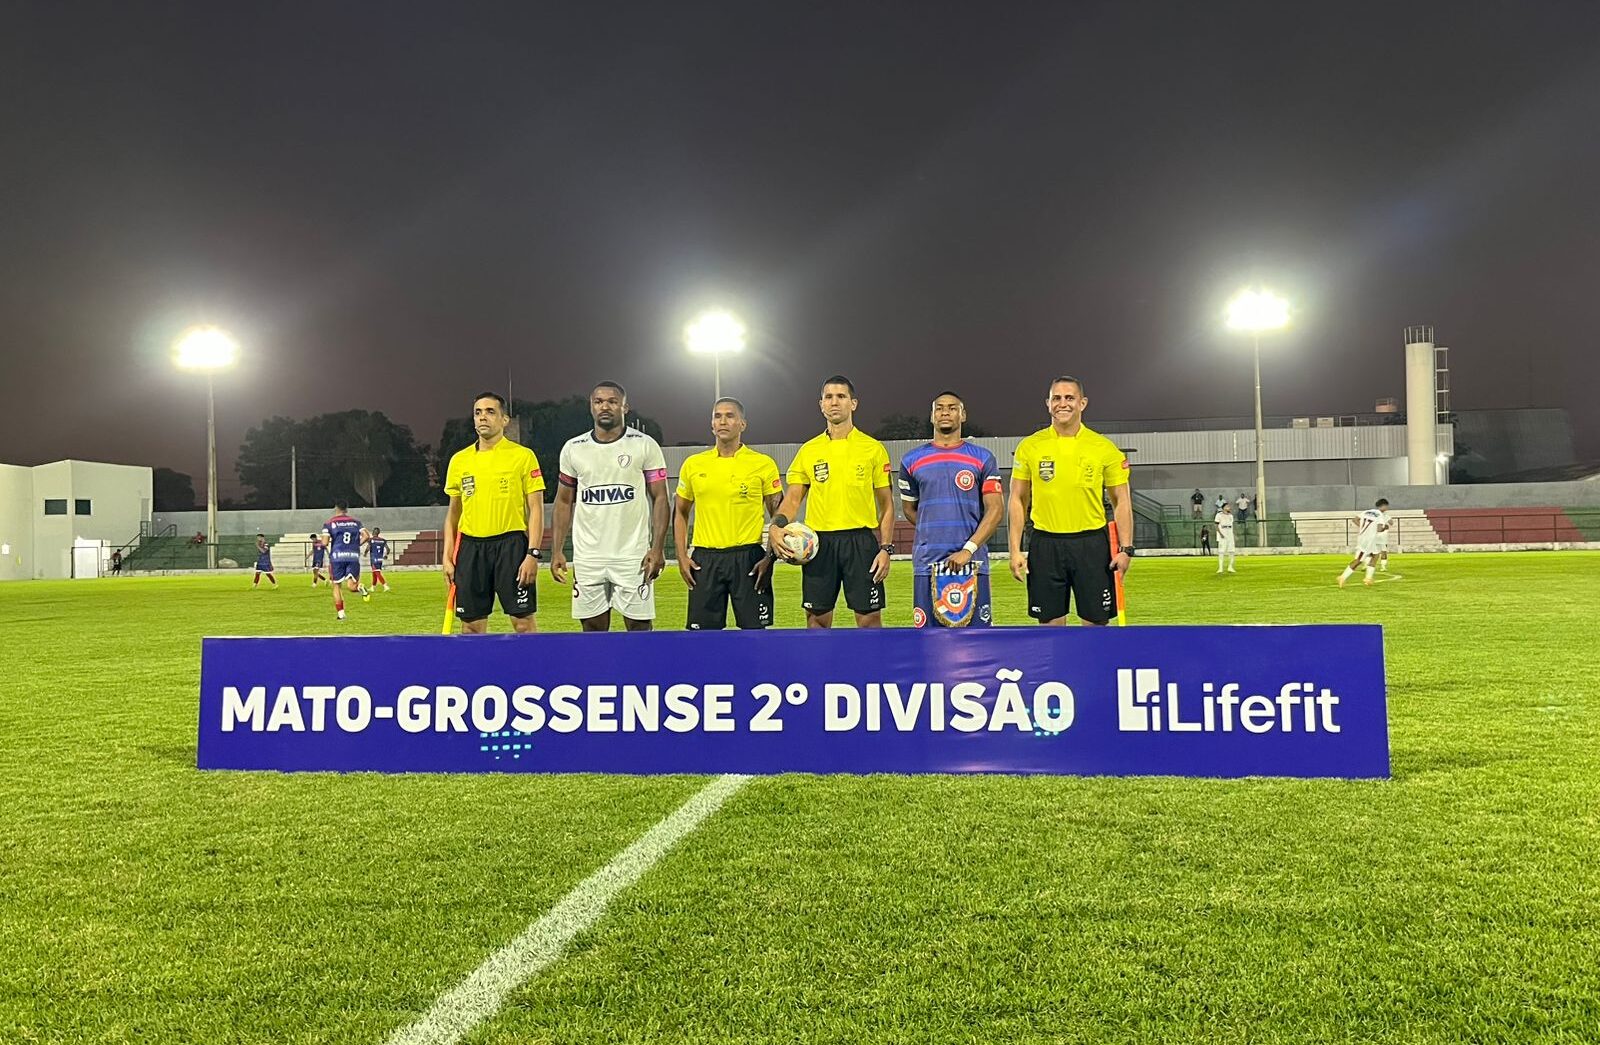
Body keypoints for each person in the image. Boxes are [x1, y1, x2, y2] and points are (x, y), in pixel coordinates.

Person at [768, 375, 895, 629]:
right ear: (821, 405)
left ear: (853, 403)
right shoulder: (809, 450)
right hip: (819, 545)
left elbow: (887, 504)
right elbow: (793, 498)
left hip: (861, 543)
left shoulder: (872, 448)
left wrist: (886, 548)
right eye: (829, 397)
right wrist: (776, 525)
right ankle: (821, 670)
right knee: (817, 620)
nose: (834, 402)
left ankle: (871, 670)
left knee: (869, 620)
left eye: (841, 396)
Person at [1006, 376, 1132, 626]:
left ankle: (1094, 667)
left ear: (1082, 403)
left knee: (1095, 624)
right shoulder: (1029, 446)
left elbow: (1122, 501)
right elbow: (1018, 499)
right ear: (1048, 403)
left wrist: (1126, 549)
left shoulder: (1103, 447)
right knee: (1050, 628)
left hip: (1092, 545)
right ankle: (1058, 667)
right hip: (1046, 544)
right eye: (1056, 398)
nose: (1062, 404)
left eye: (1069, 398)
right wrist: (1014, 549)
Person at [550, 382, 669, 632]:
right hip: (588, 556)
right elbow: (563, 501)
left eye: (612, 401)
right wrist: (557, 550)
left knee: (639, 629)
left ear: (625, 406)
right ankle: (599, 673)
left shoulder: (644, 445)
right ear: (591, 407)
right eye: (599, 401)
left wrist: (657, 548)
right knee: (592, 631)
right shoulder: (573, 449)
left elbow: (660, 498)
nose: (605, 406)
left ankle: (639, 673)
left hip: (633, 556)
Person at [674, 397, 783, 630]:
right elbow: (680, 513)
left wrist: (769, 558)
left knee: (755, 635)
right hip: (705, 559)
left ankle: (754, 669)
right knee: (703, 638)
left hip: (749, 559)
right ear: (712, 424)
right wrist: (682, 556)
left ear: (743, 424)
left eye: (730, 416)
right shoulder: (693, 465)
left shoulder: (763, 464)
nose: (723, 421)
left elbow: (778, 516)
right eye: (717, 416)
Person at [899, 391, 1003, 628]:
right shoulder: (911, 460)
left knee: (976, 642)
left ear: (963, 415)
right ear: (932, 416)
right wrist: (933, 533)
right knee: (927, 642)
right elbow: (910, 509)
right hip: (928, 565)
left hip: (972, 564)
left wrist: (967, 549)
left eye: (952, 407)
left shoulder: (982, 458)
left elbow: (995, 510)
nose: (945, 412)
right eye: (939, 408)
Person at [442, 392, 545, 633]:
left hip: (512, 547)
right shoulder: (459, 460)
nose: (482, 418)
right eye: (478, 412)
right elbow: (453, 515)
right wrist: (447, 557)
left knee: (523, 624)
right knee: (471, 627)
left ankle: (531, 671)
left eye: (490, 412)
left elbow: (537, 508)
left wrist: (533, 554)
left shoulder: (523, 456)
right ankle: (477, 672)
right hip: (470, 549)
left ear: (504, 420)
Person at [323, 504, 371, 620]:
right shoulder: (356, 522)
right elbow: (366, 536)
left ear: (336, 508)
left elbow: (324, 542)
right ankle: (359, 587)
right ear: (346, 509)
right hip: (353, 556)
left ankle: (341, 614)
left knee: (336, 586)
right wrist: (356, 545)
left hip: (338, 557)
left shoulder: (329, 523)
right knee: (351, 586)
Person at [1339, 498, 1391, 588]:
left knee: (1375, 555)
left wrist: (1362, 528)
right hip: (1367, 540)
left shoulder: (1366, 512)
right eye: (1387, 506)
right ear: (1384, 506)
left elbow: (1355, 519)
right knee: (1359, 560)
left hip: (1366, 538)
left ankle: (1368, 578)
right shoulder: (1379, 515)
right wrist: (1385, 527)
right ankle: (1343, 577)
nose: (1387, 508)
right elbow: (1379, 529)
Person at [1214, 501, 1237, 573]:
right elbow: (1216, 525)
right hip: (1223, 532)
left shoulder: (1231, 516)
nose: (1229, 508)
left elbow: (1232, 526)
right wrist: (1220, 534)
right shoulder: (1219, 515)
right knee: (1221, 551)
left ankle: (1230, 567)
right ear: (1223, 508)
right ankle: (1220, 568)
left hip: (1229, 532)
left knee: (1231, 551)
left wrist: (1233, 535)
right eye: (1227, 506)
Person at [368, 527, 391, 592]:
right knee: (374, 572)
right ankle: (372, 587)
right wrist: (386, 555)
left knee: (377, 572)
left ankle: (385, 586)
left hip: (374, 558)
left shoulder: (371, 540)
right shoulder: (383, 540)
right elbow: (388, 549)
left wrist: (365, 553)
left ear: (373, 532)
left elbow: (368, 548)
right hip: (380, 559)